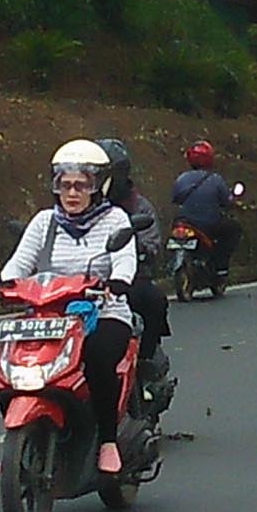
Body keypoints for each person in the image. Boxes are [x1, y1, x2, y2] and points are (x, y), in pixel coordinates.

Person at [0, 139, 139, 470]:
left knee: (99, 358)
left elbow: (124, 260)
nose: (72, 193)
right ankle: (15, 445)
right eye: (65, 185)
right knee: (9, 364)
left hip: (103, 312)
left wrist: (118, 281)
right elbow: (19, 263)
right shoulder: (44, 221)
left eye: (82, 185)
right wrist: (0, 284)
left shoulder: (115, 220)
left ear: (99, 187)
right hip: (48, 316)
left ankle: (107, 441)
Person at [94, 137, 168, 364]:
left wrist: (135, 248)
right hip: (82, 281)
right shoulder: (79, 204)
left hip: (130, 278)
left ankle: (146, 357)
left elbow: (152, 244)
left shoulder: (140, 207)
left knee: (154, 301)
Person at [170, 138, 240, 280]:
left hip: (184, 222)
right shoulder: (215, 179)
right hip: (209, 224)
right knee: (233, 230)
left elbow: (175, 198)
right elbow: (226, 201)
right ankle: (221, 267)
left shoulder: (181, 178)